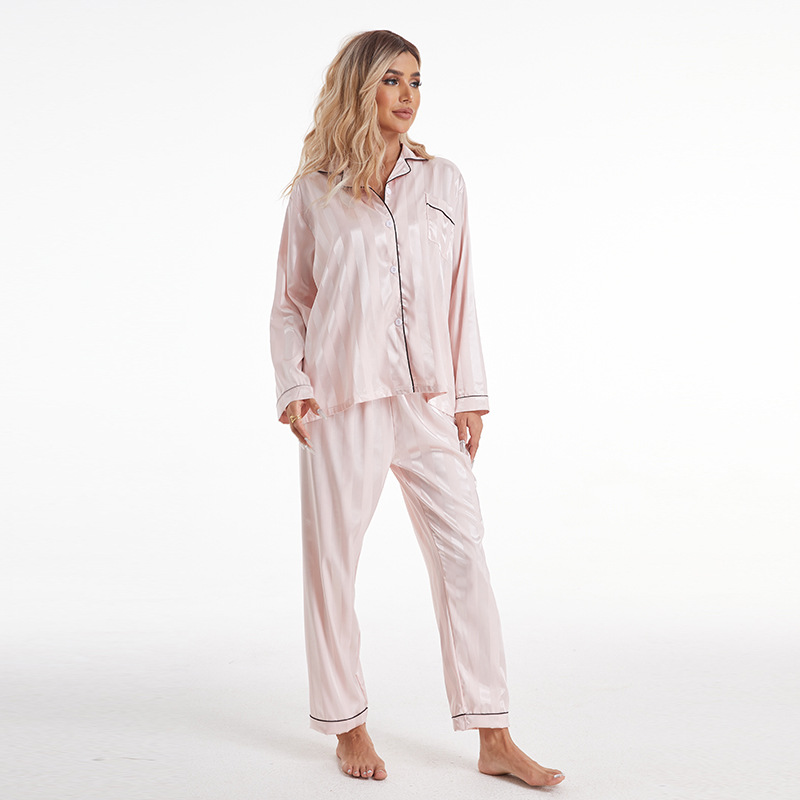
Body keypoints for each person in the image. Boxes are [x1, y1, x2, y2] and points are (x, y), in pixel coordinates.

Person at [270, 29, 565, 787]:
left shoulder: (444, 182)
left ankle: (494, 734)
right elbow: (291, 303)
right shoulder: (315, 193)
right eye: (391, 80)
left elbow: (463, 293)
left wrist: (471, 396)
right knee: (333, 565)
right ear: (358, 88)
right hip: (342, 400)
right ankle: (347, 725)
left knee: (465, 553)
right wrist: (294, 387)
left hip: (428, 401)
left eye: (416, 80)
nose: (408, 95)